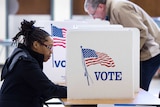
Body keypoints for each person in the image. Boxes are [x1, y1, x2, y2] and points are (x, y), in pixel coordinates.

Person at [84, 0, 160, 91]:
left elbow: (141, 32)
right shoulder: (112, 11)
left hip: (151, 51)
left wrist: (128, 56)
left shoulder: (119, 8)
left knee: (138, 90)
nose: (94, 18)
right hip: (143, 52)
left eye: (93, 14)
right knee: (135, 89)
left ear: (100, 7)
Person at [0, 20, 67, 107]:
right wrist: (75, 92)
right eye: (49, 47)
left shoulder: (22, 56)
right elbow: (49, 89)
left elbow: (43, 89)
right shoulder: (26, 63)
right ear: (36, 45)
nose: (51, 52)